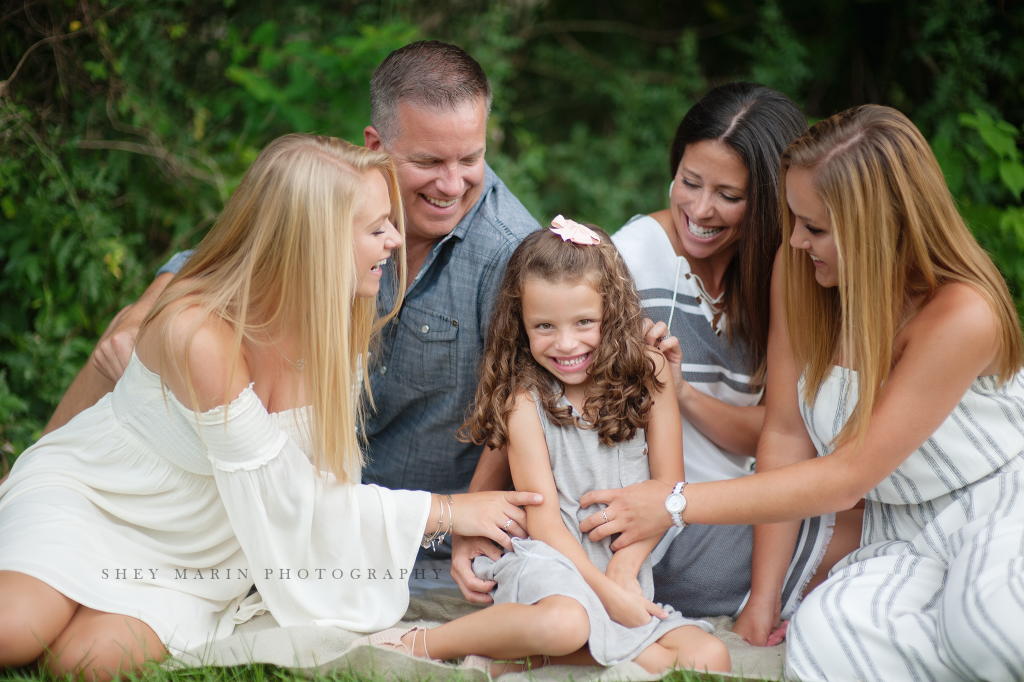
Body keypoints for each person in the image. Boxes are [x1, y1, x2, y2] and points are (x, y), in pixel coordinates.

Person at [0, 134, 541, 680]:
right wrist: (447, 511)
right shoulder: (201, 333)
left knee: (87, 662)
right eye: (376, 228)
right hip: (104, 499)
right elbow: (286, 491)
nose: (395, 242)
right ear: (316, 241)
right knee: (14, 629)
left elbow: (313, 487)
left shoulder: (339, 319)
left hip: (209, 553)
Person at [39, 40, 540, 587]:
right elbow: (225, 257)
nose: (452, 184)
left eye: (471, 159)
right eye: (427, 162)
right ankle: (39, 493)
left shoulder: (512, 254)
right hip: (275, 478)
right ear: (375, 144)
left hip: (407, 527)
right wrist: (140, 317)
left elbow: (532, 390)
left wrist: (466, 515)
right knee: (121, 346)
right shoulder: (343, 194)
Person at [577, 105, 1024, 680]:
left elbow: (847, 476)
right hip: (891, 531)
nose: (793, 239)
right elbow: (784, 434)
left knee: (986, 632)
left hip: (995, 502)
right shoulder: (801, 273)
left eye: (814, 227)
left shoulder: (963, 314)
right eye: (794, 218)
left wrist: (671, 503)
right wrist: (762, 602)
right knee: (822, 644)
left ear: (875, 229)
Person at [358, 222, 730, 676]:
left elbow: (668, 491)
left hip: (622, 571)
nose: (566, 343)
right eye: (544, 326)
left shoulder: (650, 374)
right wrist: (605, 591)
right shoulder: (524, 398)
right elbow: (545, 520)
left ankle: (520, 654)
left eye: (584, 323)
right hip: (548, 563)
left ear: (612, 311)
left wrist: (624, 571)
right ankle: (424, 643)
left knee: (711, 657)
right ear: (521, 324)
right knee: (565, 620)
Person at [610, 82, 850, 622]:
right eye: (689, 182)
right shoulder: (629, 264)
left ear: (770, 200)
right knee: (872, 526)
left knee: (863, 507)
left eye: (728, 196)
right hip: (661, 532)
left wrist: (687, 395)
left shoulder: (787, 271)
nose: (700, 208)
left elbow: (783, 429)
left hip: (738, 504)